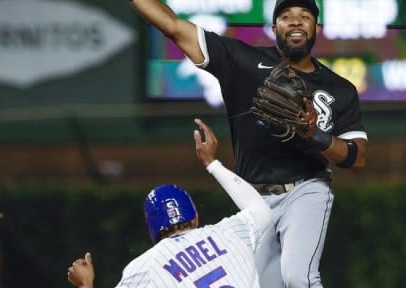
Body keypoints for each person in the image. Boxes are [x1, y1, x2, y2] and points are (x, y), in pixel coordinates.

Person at [96, 0, 369, 287]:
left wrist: (315, 135)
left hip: (305, 189)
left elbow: (358, 158)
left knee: (299, 277)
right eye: (286, 16)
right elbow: (173, 27)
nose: (295, 21)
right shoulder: (243, 62)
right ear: (273, 27)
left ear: (316, 27)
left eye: (304, 16)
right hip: (254, 201)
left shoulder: (340, 89)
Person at [68, 118, 271, 287]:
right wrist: (212, 163)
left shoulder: (144, 268)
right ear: (195, 217)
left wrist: (86, 284)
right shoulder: (228, 233)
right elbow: (260, 210)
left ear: (152, 230)